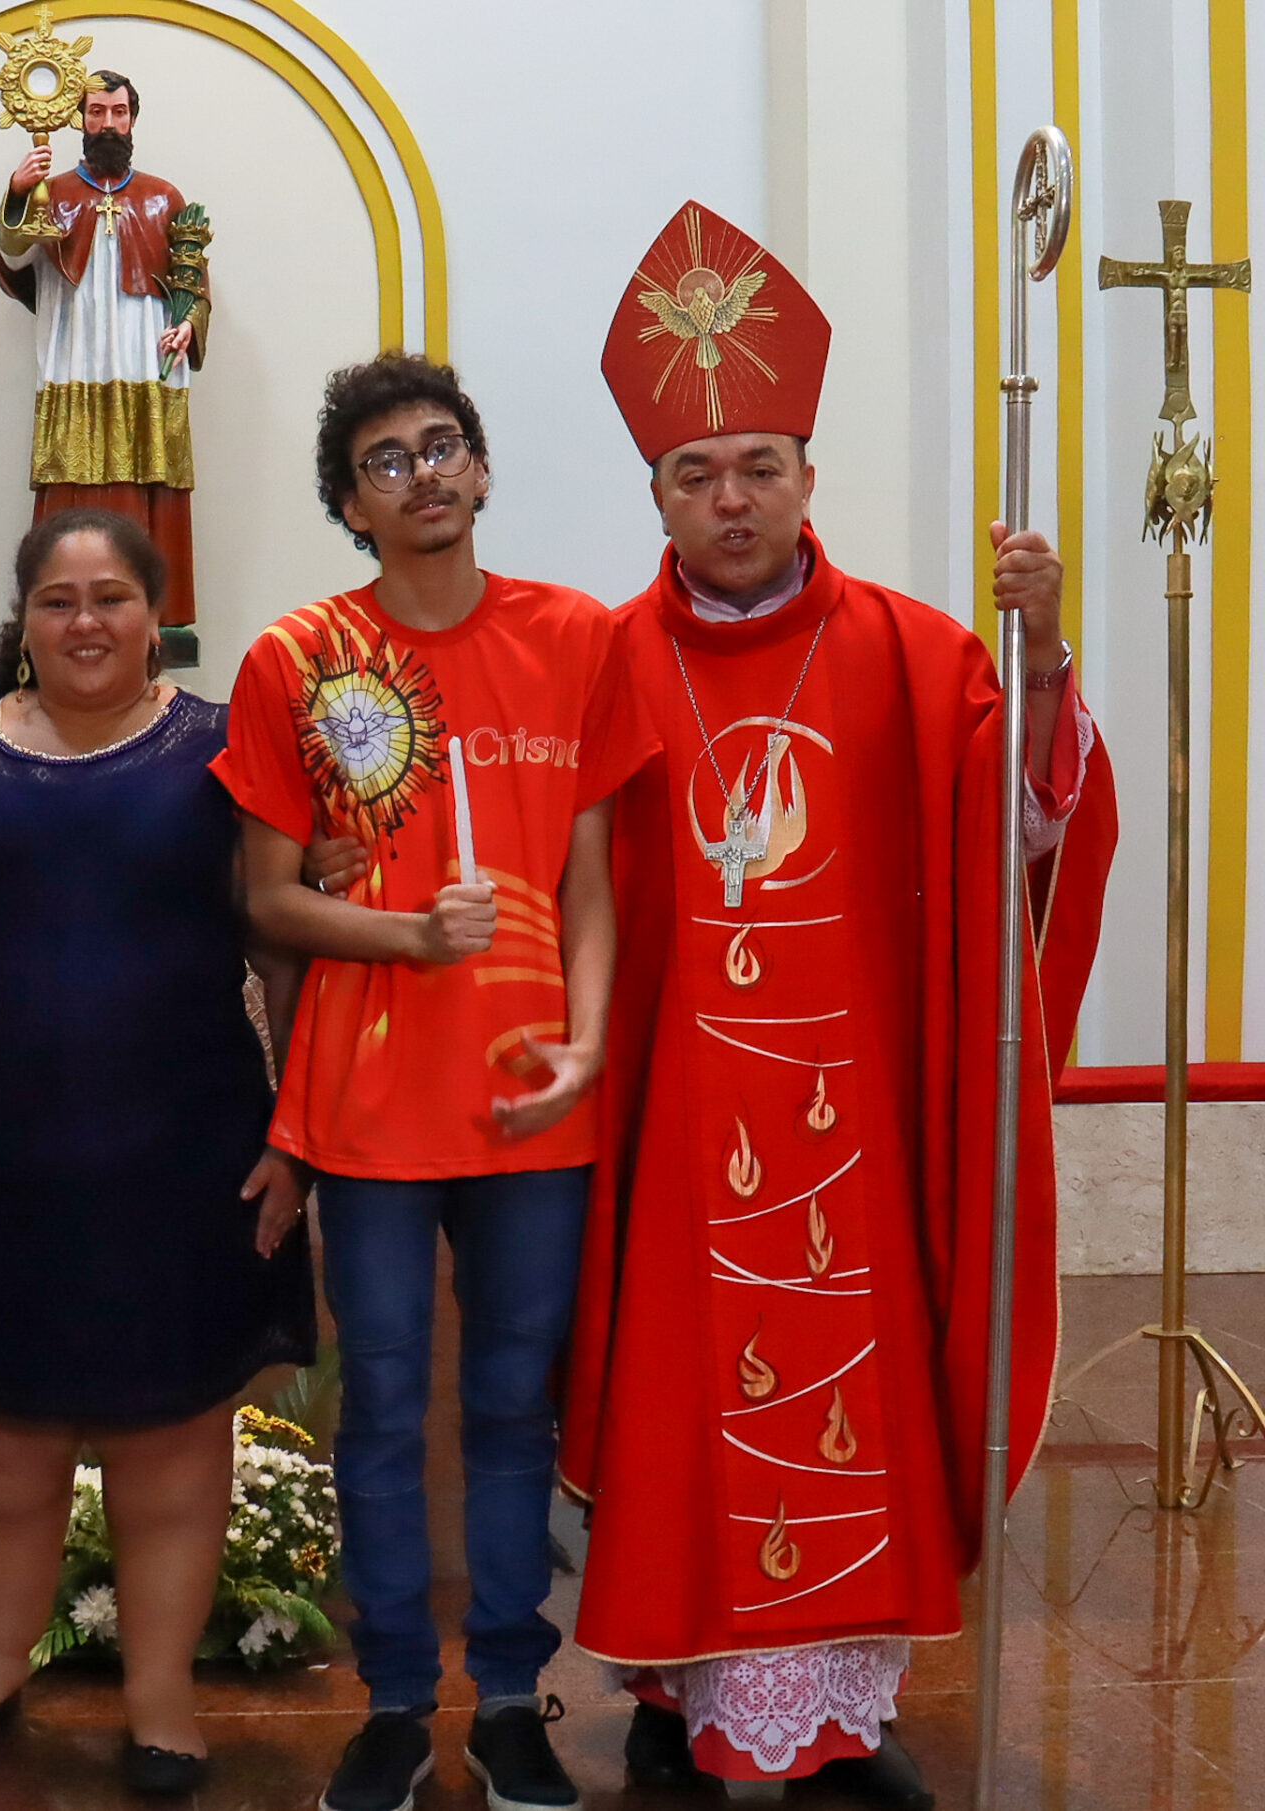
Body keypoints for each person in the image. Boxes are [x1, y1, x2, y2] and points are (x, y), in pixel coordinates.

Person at [555, 202, 1118, 1808]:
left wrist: (1044, 656)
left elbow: (1028, 827)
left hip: (849, 1118)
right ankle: (671, 1690)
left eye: (759, 466)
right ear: (656, 493)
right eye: (695, 473)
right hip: (676, 1115)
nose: (730, 499)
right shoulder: (606, 661)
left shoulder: (922, 651)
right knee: (674, 1396)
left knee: (844, 1396)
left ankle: (836, 1727)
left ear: (809, 474)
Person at [217, 353, 653, 1811]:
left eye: (445, 445)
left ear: (480, 467)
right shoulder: (300, 656)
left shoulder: (576, 635)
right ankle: (397, 1699)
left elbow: (590, 881)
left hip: (537, 1093)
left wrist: (590, 1040)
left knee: (518, 1403)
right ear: (351, 502)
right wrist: (407, 934)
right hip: (373, 1101)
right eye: (389, 460)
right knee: (386, 1400)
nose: (426, 474)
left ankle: (515, 1695)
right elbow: (267, 896)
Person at [0, 506, 315, 1792]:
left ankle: (159, 1693)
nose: (86, 621)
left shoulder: (222, 752)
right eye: (59, 600)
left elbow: (285, 949)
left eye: (112, 596)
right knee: (0, 1444)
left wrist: (300, 1131)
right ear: (24, 619)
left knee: (171, 1445)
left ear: (155, 616)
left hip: (183, 1163)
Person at [0, 68, 209, 656]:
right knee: (76, 471)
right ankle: (64, 604)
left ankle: (160, 615)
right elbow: (15, 257)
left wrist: (189, 323)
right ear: (79, 119)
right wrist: (18, 192)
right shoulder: (54, 193)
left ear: (132, 119)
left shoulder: (164, 197)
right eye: (96, 112)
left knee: (152, 470)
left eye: (118, 112)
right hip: (76, 354)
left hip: (145, 356)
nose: (108, 123)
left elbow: (191, 279)